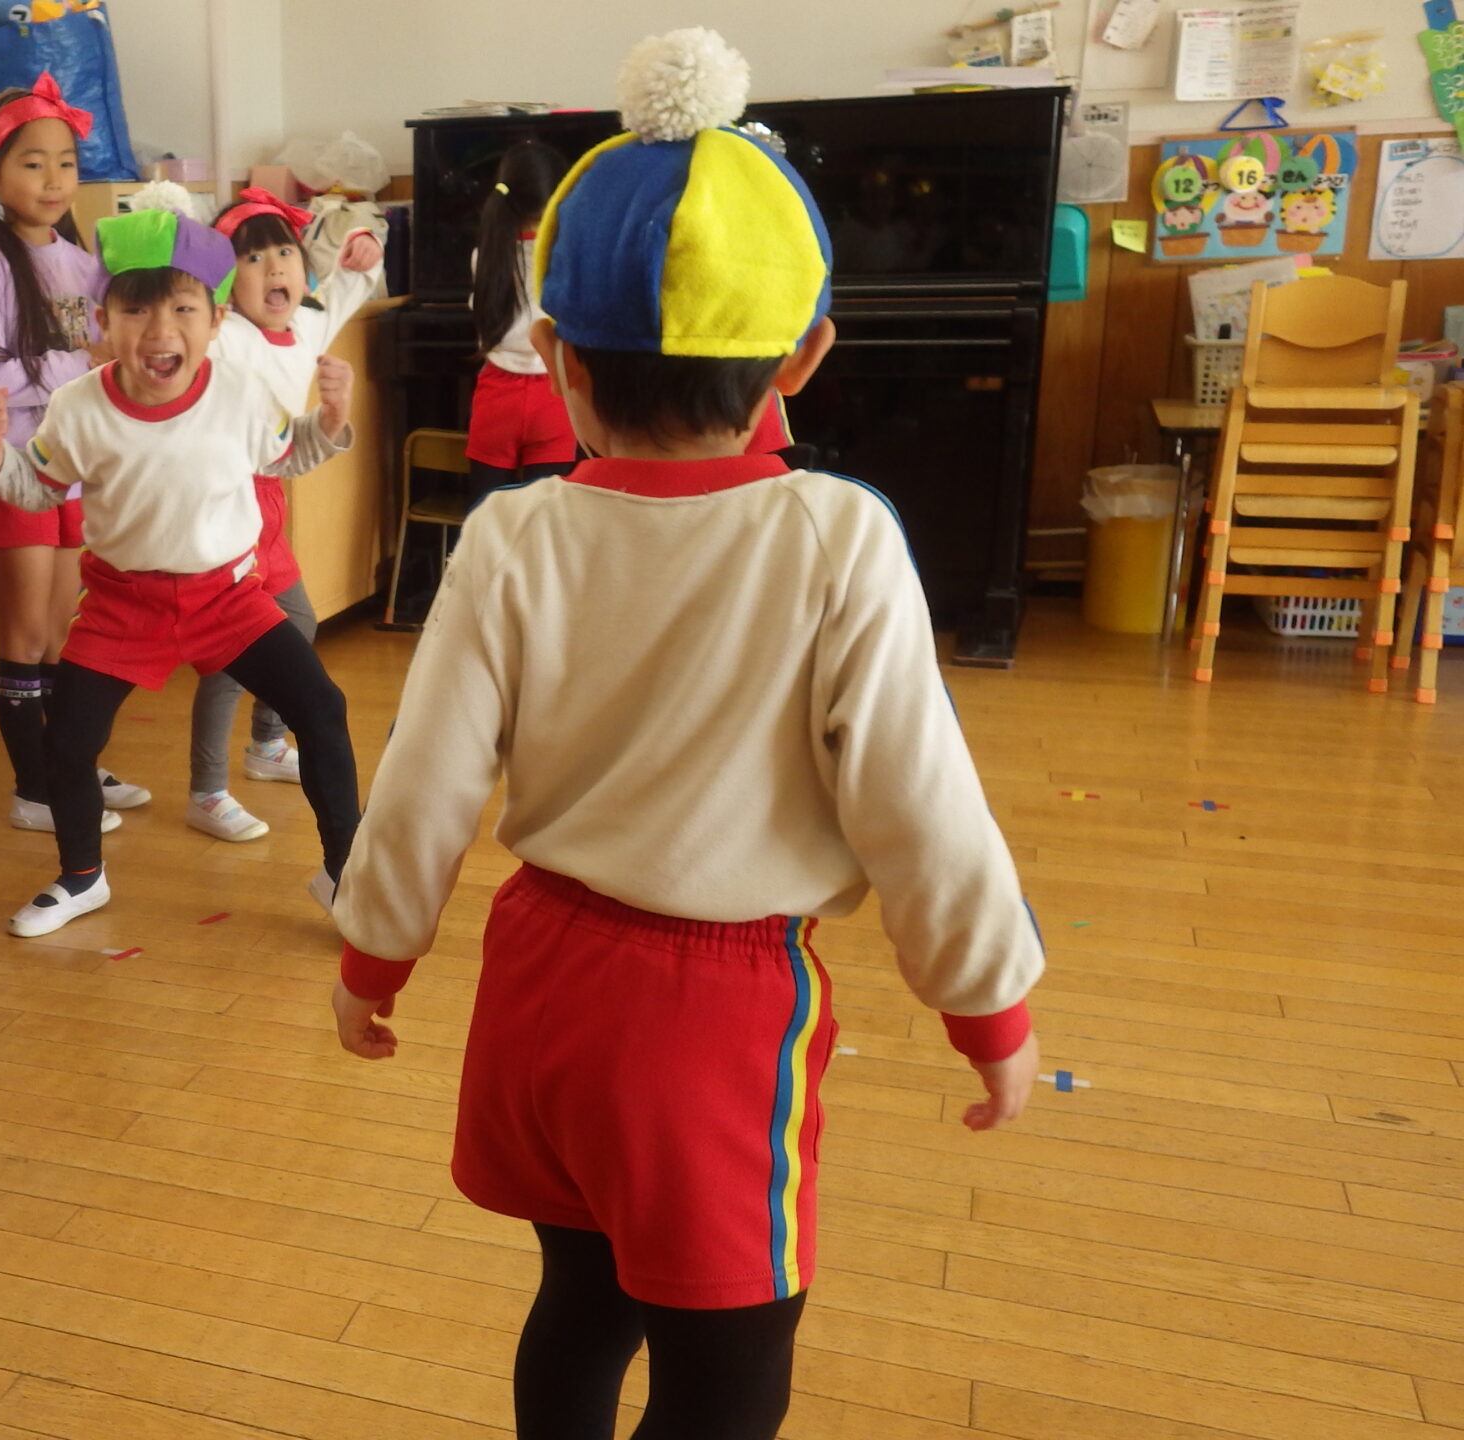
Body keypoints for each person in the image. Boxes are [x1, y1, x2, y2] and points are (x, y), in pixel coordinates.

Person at [322, 32, 1045, 1440]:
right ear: (807, 352)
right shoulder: (838, 535)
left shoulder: (510, 534)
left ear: (555, 360)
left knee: (578, 1296)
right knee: (728, 1370)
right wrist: (986, 1005)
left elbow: (421, 783)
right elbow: (920, 804)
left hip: (540, 986)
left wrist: (373, 955)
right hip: (713, 1022)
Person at [0, 210, 360, 938]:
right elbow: (40, 489)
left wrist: (331, 421)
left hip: (228, 598)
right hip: (122, 604)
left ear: (215, 322)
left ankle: (346, 874)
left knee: (323, 708)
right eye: (136, 311)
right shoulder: (78, 407)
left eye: (182, 309)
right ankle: (82, 877)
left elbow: (286, 457)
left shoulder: (241, 392)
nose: (159, 330)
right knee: (68, 744)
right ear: (101, 323)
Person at [0, 74, 149, 833]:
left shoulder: (78, 258)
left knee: (67, 634)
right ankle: (34, 791)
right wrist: (80, 365)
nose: (54, 179)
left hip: (73, 469)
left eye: (66, 162)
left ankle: (71, 767)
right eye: (33, 163)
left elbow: (104, 350)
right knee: (26, 636)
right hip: (15, 470)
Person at [180, 186, 383, 843]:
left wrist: (363, 245)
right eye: (253, 258)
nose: (274, 268)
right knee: (230, 653)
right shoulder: (226, 335)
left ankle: (267, 743)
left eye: (286, 253)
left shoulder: (310, 321)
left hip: (269, 496)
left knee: (296, 620)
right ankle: (207, 790)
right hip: (222, 500)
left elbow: (354, 281)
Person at [465, 140, 576, 500]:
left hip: (496, 398)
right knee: (547, 517)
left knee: (485, 512)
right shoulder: (567, 256)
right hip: (554, 396)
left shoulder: (485, 255)